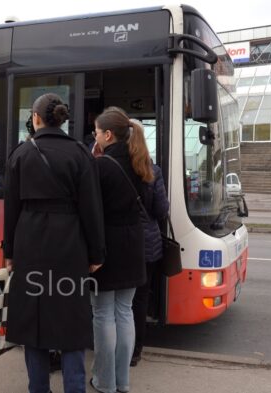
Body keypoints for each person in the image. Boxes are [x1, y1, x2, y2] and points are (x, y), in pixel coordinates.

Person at [4, 93, 105, 393]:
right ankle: (75, 388)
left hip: (29, 243)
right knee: (71, 321)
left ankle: (39, 388)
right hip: (70, 244)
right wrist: (97, 252)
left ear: (36, 118)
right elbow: (92, 208)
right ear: (62, 119)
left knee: (32, 324)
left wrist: (10, 252)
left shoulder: (21, 154)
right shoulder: (80, 153)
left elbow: (11, 210)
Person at [89, 108, 153, 393]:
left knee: (103, 314)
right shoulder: (142, 163)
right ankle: (122, 382)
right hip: (134, 244)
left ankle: (105, 382)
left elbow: (92, 208)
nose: (94, 135)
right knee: (125, 312)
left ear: (107, 134)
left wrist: (93, 161)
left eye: (96, 131)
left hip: (109, 245)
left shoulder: (101, 166)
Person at [130, 123, 169, 367]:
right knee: (140, 300)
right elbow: (161, 209)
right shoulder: (152, 171)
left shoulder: (110, 169)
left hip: (120, 247)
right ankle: (135, 351)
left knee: (117, 303)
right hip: (148, 246)